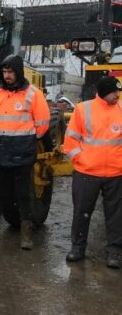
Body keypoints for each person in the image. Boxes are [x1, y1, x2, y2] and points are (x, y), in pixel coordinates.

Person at [0, 54, 50, 249]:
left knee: (24, 192)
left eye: (10, 72)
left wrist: (25, 139)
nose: (7, 76)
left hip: (22, 151)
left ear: (19, 72)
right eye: (4, 72)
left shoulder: (33, 94)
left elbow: (42, 125)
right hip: (0, 149)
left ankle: (26, 231)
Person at [63, 75, 122, 269]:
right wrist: (82, 161)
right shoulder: (83, 109)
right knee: (82, 212)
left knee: (116, 215)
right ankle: (78, 248)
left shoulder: (121, 109)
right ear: (105, 92)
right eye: (115, 92)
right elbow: (70, 141)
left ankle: (114, 252)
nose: (117, 95)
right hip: (86, 172)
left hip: (115, 173)